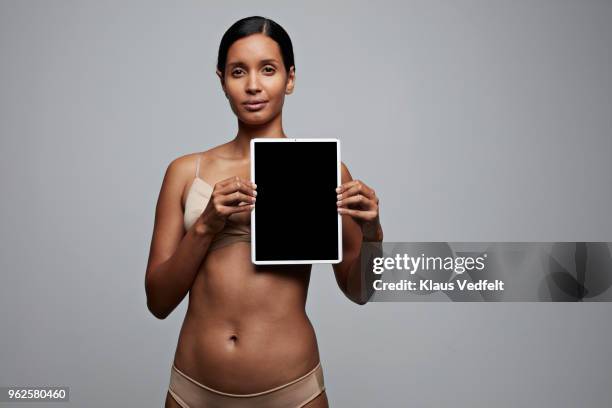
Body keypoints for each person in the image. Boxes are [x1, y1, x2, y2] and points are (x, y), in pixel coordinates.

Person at [145, 16, 384, 408]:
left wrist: (373, 232)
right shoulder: (187, 172)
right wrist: (206, 225)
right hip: (194, 389)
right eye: (239, 71)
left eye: (268, 70)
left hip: (293, 391)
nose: (253, 85)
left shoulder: (323, 169)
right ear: (222, 79)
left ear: (290, 78)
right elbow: (158, 301)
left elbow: (360, 292)